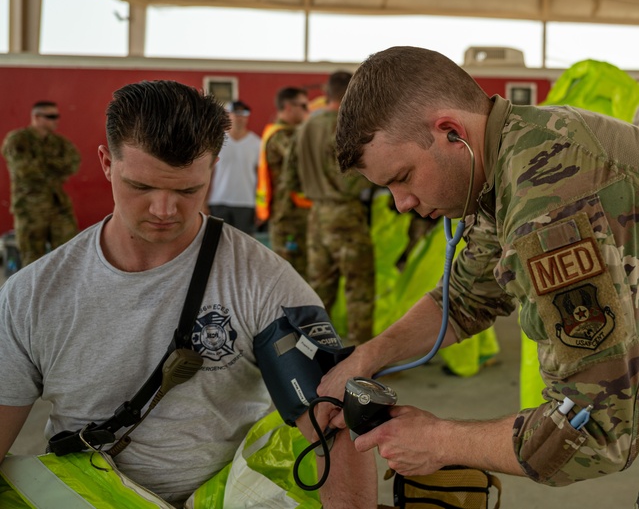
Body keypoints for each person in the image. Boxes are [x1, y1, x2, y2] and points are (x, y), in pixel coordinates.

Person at [316, 46, 639, 508]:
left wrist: (438, 440)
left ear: (451, 132)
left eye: (403, 178)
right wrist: (365, 358)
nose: (402, 203)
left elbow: (595, 430)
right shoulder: (509, 159)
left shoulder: (555, 200)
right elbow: (464, 298)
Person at [0, 80, 373, 508]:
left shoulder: (263, 280)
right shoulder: (32, 295)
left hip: (223, 497)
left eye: (186, 190)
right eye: (140, 187)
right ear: (106, 163)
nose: (164, 210)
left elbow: (334, 425)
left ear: (212, 167)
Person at [283, 71, 375, 345]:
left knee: (319, 292)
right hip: (345, 216)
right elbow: (348, 183)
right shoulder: (344, 126)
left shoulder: (305, 127)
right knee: (359, 289)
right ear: (350, 94)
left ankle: (314, 354)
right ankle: (362, 362)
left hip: (316, 217)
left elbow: (289, 179)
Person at [1, 100, 80, 267]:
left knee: (68, 253)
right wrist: (55, 166)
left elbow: (73, 162)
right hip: (31, 208)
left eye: (57, 116)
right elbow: (25, 170)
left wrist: (44, 165)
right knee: (32, 260)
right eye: (51, 116)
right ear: (36, 117)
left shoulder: (59, 142)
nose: (56, 120)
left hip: (58, 205)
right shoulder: (17, 140)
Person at [257, 86, 311, 276]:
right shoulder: (282, 135)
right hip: (289, 215)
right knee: (292, 274)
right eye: (303, 106)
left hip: (291, 212)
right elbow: (303, 157)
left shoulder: (280, 132)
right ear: (288, 107)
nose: (307, 110)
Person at [207, 99, 261, 235]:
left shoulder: (257, 143)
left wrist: (261, 207)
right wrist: (203, 202)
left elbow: (261, 177)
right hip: (218, 201)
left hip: (246, 203)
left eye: (243, 114)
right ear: (227, 116)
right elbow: (207, 172)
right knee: (217, 245)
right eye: (235, 113)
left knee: (243, 248)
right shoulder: (217, 141)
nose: (239, 117)